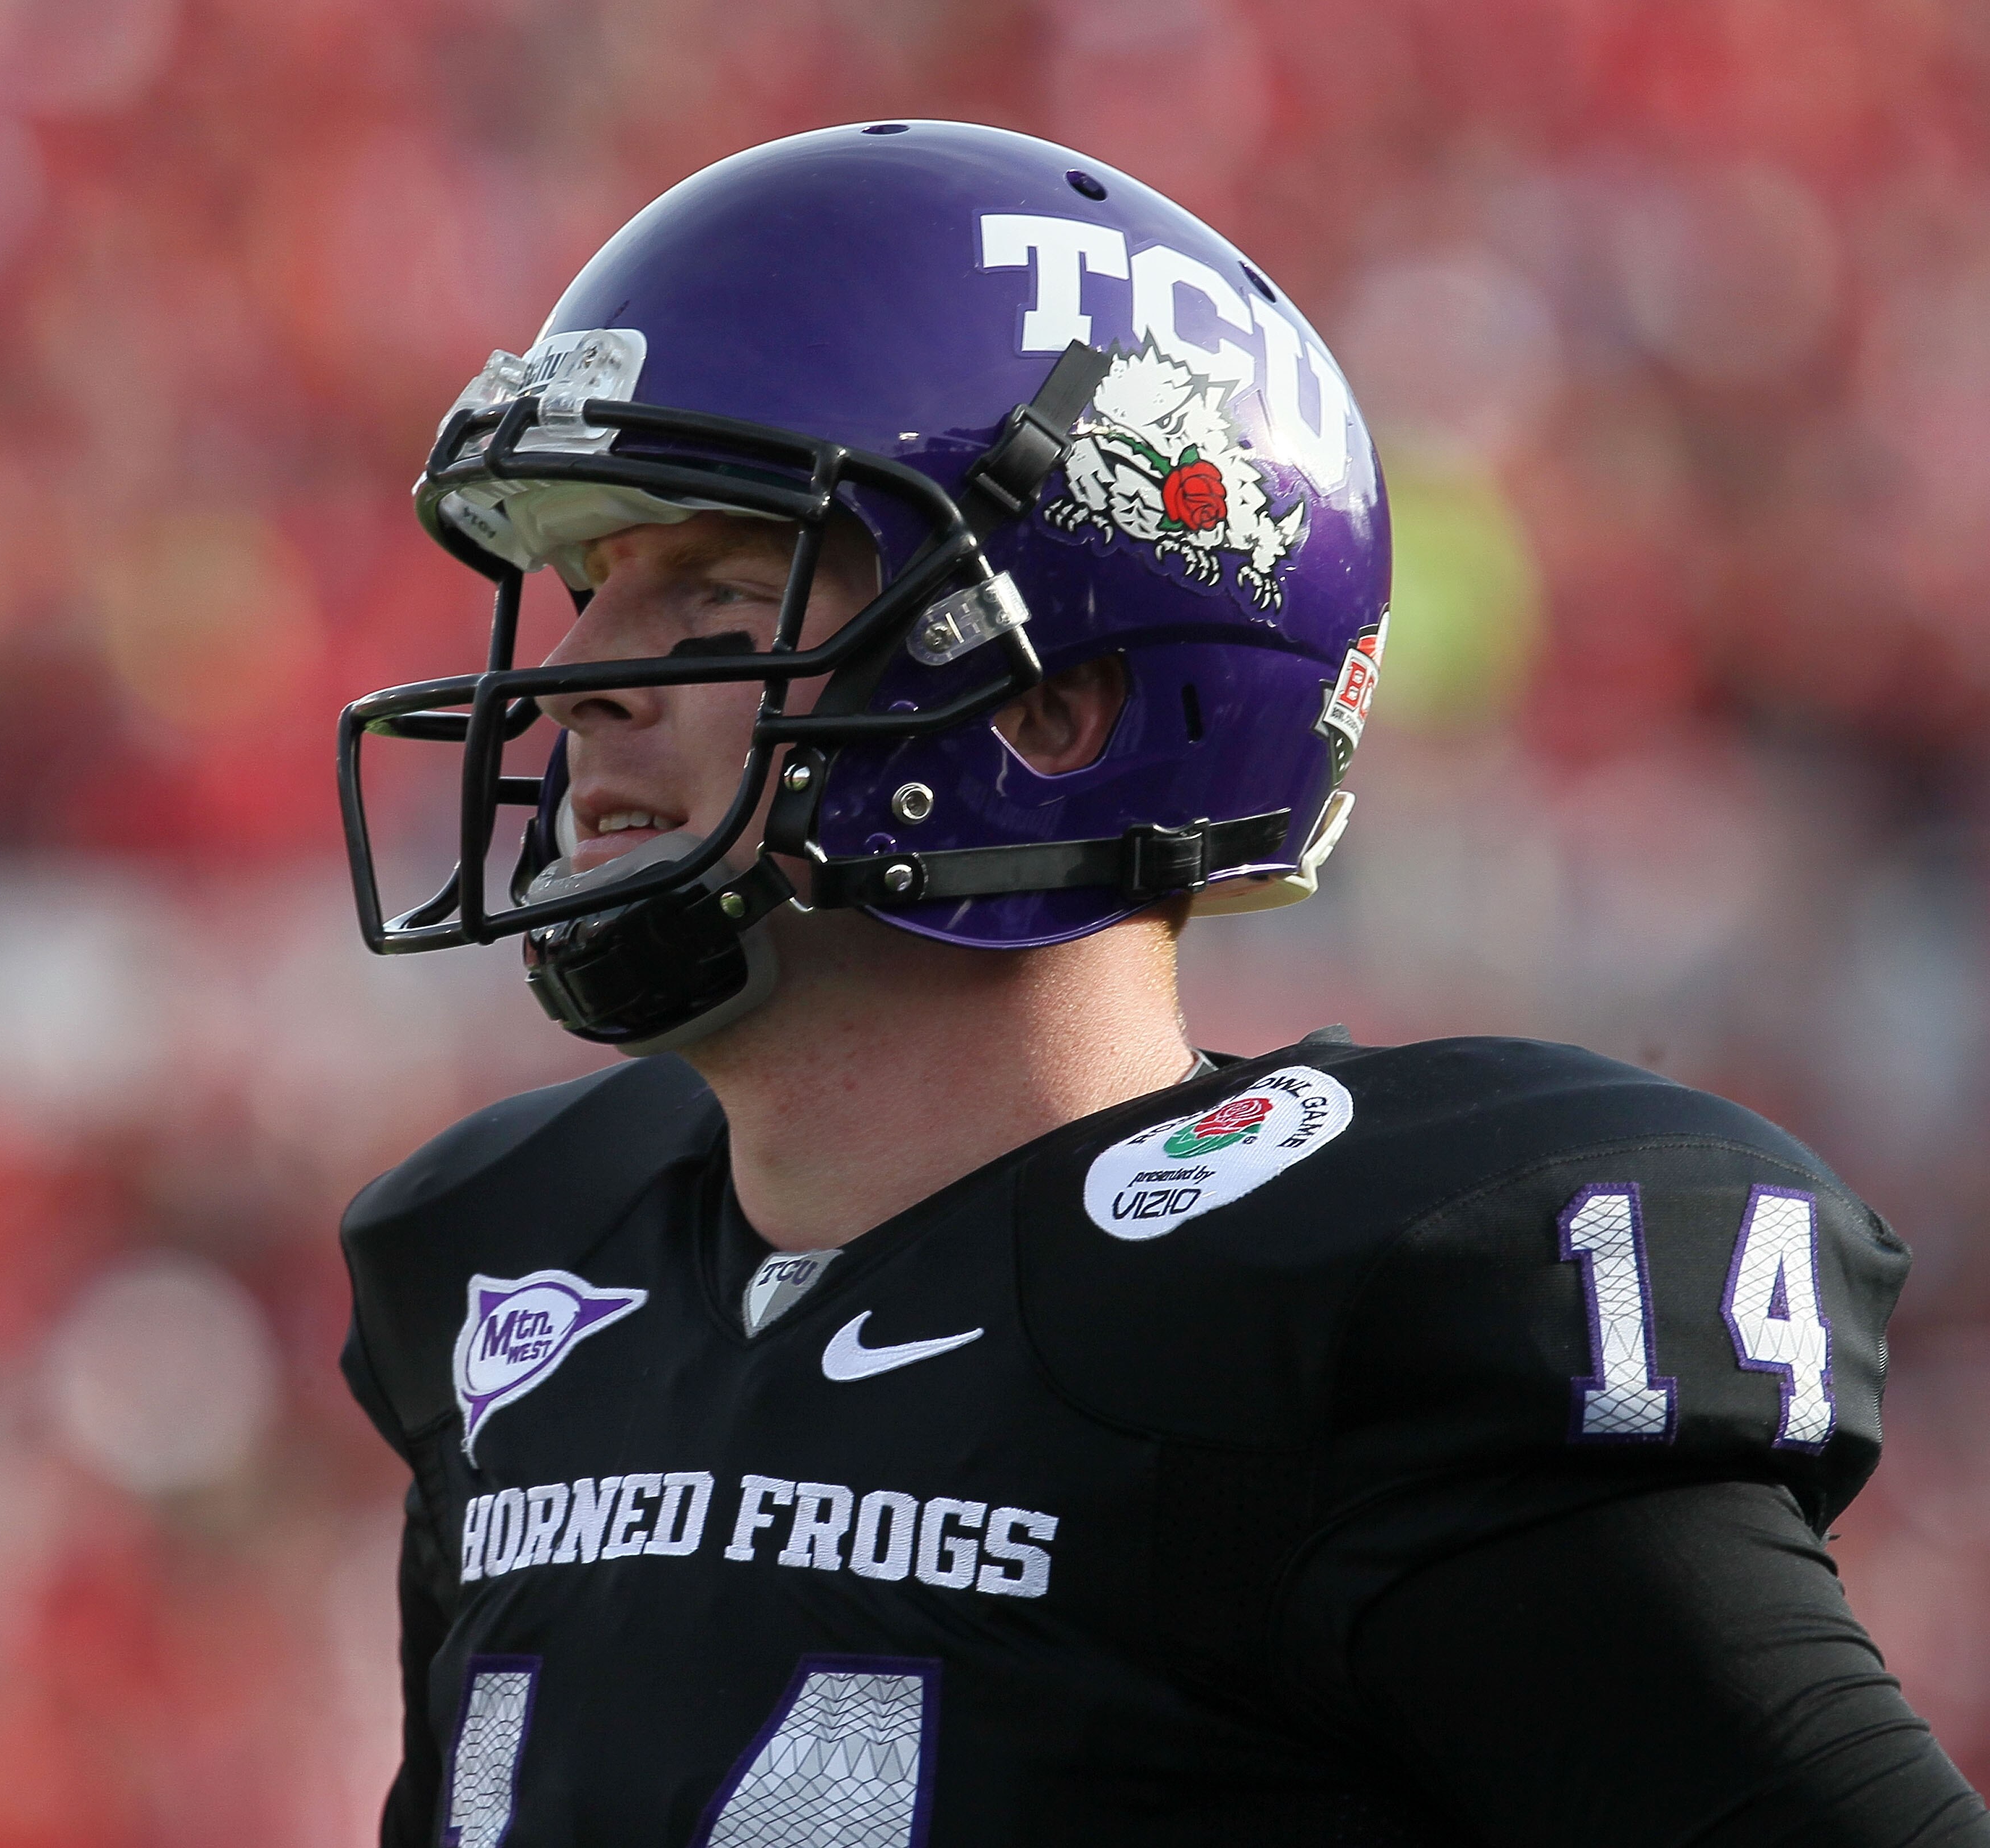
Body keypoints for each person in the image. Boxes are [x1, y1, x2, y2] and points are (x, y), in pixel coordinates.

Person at [332, 122, 1987, 1846]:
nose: (580, 679)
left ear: (1055, 714)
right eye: (593, 591)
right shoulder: (520, 1272)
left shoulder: (1358, 1319)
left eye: (718, 593)